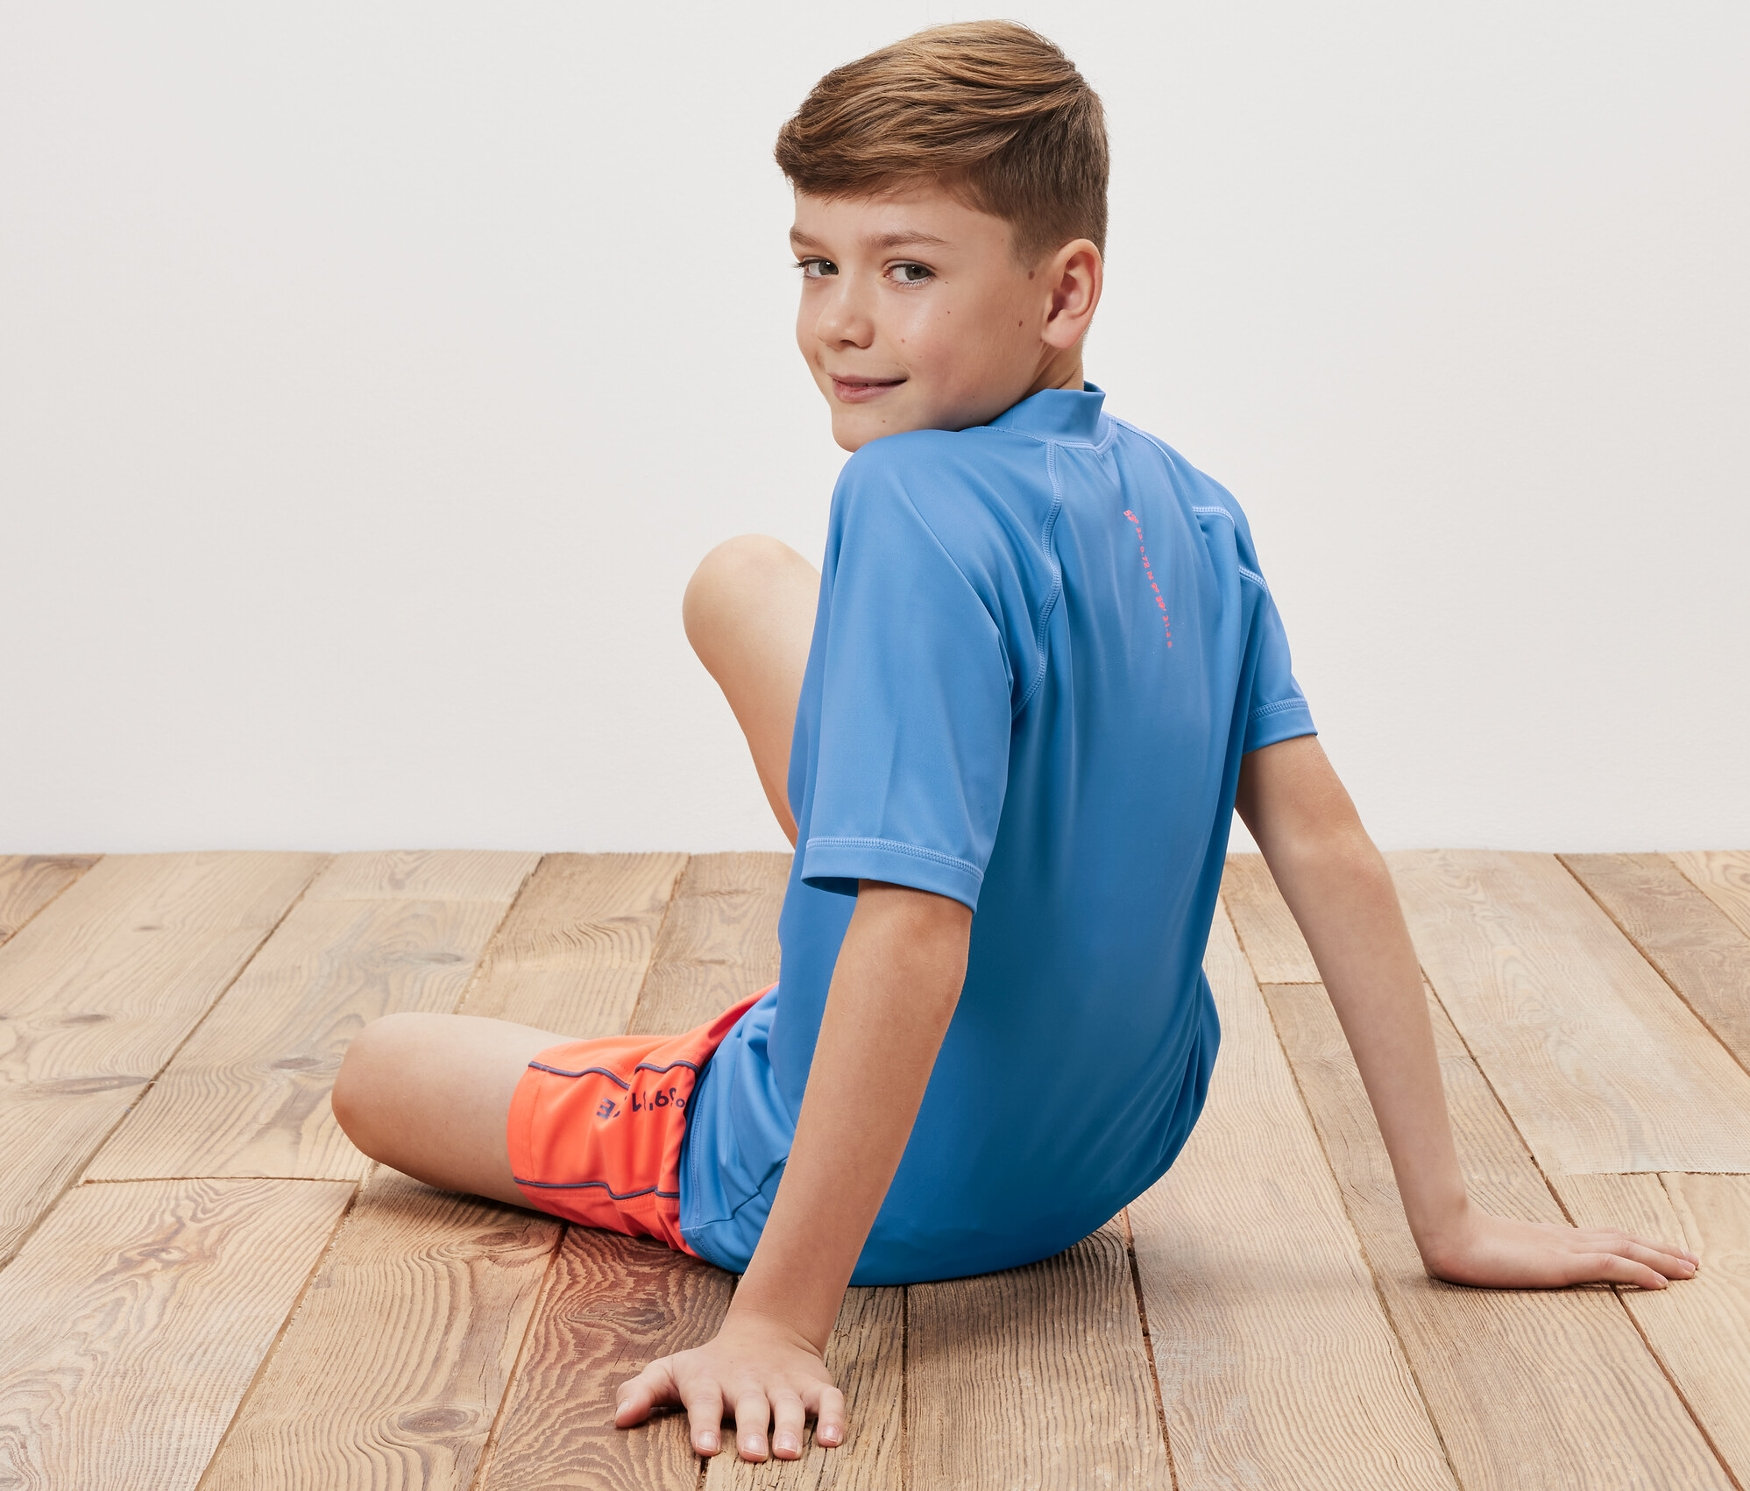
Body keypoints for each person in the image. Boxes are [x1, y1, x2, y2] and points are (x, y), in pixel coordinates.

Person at [330, 19, 1701, 1467]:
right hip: (1109, 1151)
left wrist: (779, 1322)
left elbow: (914, 936)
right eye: (815, 264)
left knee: (384, 1069)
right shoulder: (1196, 505)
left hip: (891, 1184)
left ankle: (746, 1051)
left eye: (906, 270)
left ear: (1065, 290)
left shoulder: (908, 501)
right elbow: (1325, 844)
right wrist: (1448, 1215)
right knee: (744, 581)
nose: (839, 322)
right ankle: (815, 935)